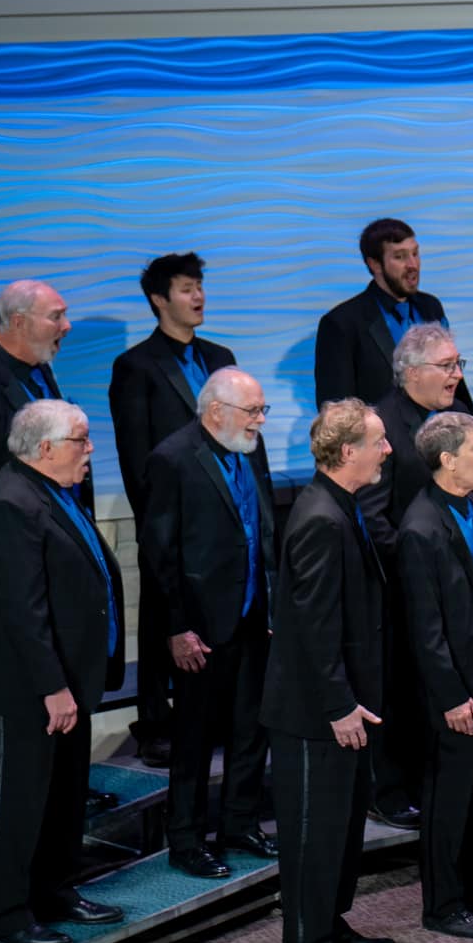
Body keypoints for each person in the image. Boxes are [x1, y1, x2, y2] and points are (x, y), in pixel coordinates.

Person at [0, 280, 110, 829]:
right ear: (17, 321)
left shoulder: (37, 373)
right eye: (56, 316)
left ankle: (52, 790)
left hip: (42, 571)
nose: (66, 327)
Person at [0, 400, 125, 943]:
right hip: (29, 690)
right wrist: (52, 686)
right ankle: (4, 917)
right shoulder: (11, 503)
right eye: (81, 441)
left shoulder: (52, 491)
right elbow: (21, 611)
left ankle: (54, 891)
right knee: (19, 803)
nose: (91, 451)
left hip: (68, 684)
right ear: (45, 448)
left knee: (62, 797)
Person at [259, 399, 397, 943]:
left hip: (345, 706)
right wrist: (340, 704)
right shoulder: (320, 517)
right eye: (378, 440)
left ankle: (331, 925)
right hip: (316, 713)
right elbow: (314, 628)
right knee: (314, 835)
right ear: (348, 452)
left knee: (341, 832)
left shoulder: (343, 505)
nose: (388, 449)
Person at [358, 323, 473, 829]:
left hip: (462, 574)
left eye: (459, 364)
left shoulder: (459, 416)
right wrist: (416, 564)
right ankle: (392, 790)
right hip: (405, 580)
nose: (457, 375)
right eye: (447, 366)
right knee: (401, 685)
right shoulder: (381, 424)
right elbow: (372, 514)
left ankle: (435, 782)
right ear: (412, 372)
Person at [138, 368, 278, 880]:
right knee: (194, 740)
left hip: (250, 615)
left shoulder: (249, 448)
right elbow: (158, 554)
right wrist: (176, 628)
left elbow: (263, 533)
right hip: (199, 625)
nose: (260, 421)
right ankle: (187, 839)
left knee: (250, 729)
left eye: (263, 411)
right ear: (215, 411)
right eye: (253, 411)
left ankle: (239, 824)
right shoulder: (172, 459)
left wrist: (273, 604)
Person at [111, 252, 236, 766]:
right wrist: (156, 521)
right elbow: (135, 455)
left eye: (200, 286)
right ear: (160, 300)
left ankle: (220, 713)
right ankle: (157, 722)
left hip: (222, 516)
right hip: (169, 517)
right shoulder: (136, 366)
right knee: (166, 613)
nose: (198, 296)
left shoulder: (220, 356)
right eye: (187, 288)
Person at [399, 411, 473, 937]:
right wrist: (450, 696)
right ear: (448, 461)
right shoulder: (420, 528)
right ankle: (444, 904)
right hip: (456, 690)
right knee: (451, 801)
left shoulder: (470, 507)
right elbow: (425, 630)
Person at [314, 217, 473, 411]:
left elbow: (452, 376)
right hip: (384, 438)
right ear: (374, 264)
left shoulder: (431, 307)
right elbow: (337, 410)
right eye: (400, 257)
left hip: (440, 435)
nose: (412, 264)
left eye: (415, 254)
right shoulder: (342, 324)